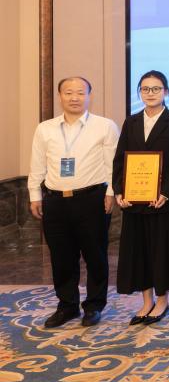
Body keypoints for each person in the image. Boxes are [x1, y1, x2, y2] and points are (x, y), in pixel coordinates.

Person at [28, 76, 119, 328]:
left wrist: (111, 192)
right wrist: (35, 195)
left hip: (92, 199)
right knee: (61, 257)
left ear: (89, 96)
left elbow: (113, 164)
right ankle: (67, 306)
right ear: (60, 96)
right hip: (55, 201)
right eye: (68, 92)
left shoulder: (105, 126)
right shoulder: (45, 128)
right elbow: (37, 164)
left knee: (95, 255)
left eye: (80, 92)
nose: (74, 97)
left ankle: (94, 305)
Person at [112, 70, 169, 326]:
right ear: (140, 93)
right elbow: (120, 159)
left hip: (160, 202)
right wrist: (120, 190)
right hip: (134, 201)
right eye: (145, 89)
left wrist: (165, 192)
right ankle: (146, 301)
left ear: (166, 91)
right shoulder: (131, 122)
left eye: (156, 89)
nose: (150, 93)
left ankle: (162, 300)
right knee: (139, 252)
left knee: (160, 251)